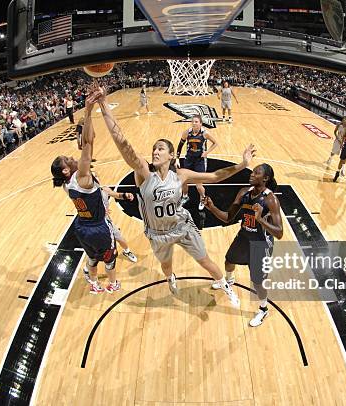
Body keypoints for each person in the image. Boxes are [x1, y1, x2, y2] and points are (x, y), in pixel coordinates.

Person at [94, 84, 253, 307]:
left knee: (205, 260)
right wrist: (103, 105)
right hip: (158, 233)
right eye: (154, 149)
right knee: (166, 265)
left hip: (182, 227)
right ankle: (170, 277)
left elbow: (216, 175)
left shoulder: (181, 175)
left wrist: (242, 164)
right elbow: (123, 144)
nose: (155, 151)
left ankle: (226, 285)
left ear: (171, 155)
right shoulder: (144, 174)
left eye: (160, 149)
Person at [50, 88, 120, 294]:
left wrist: (87, 120)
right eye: (68, 160)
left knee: (91, 257)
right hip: (98, 226)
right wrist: (88, 111)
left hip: (81, 226)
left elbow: (90, 139)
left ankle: (94, 285)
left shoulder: (65, 183)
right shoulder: (81, 177)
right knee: (109, 256)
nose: (72, 158)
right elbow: (89, 143)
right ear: (65, 170)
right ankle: (113, 284)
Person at [204, 163, 283, 327]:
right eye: (253, 172)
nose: (252, 174)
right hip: (244, 236)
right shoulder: (244, 192)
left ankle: (263, 309)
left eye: (257, 173)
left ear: (266, 179)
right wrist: (212, 208)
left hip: (261, 243)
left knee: (257, 282)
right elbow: (228, 218)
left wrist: (260, 220)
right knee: (228, 261)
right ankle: (229, 280)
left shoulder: (271, 200)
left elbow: (279, 232)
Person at [176, 115, 219, 210]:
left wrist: (207, 152)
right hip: (189, 159)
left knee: (199, 185)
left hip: (200, 161)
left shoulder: (205, 133)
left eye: (196, 122)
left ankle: (203, 199)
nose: (194, 123)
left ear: (200, 123)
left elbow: (215, 143)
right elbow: (180, 145)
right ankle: (185, 196)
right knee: (184, 181)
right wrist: (177, 158)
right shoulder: (187, 132)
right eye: (193, 122)